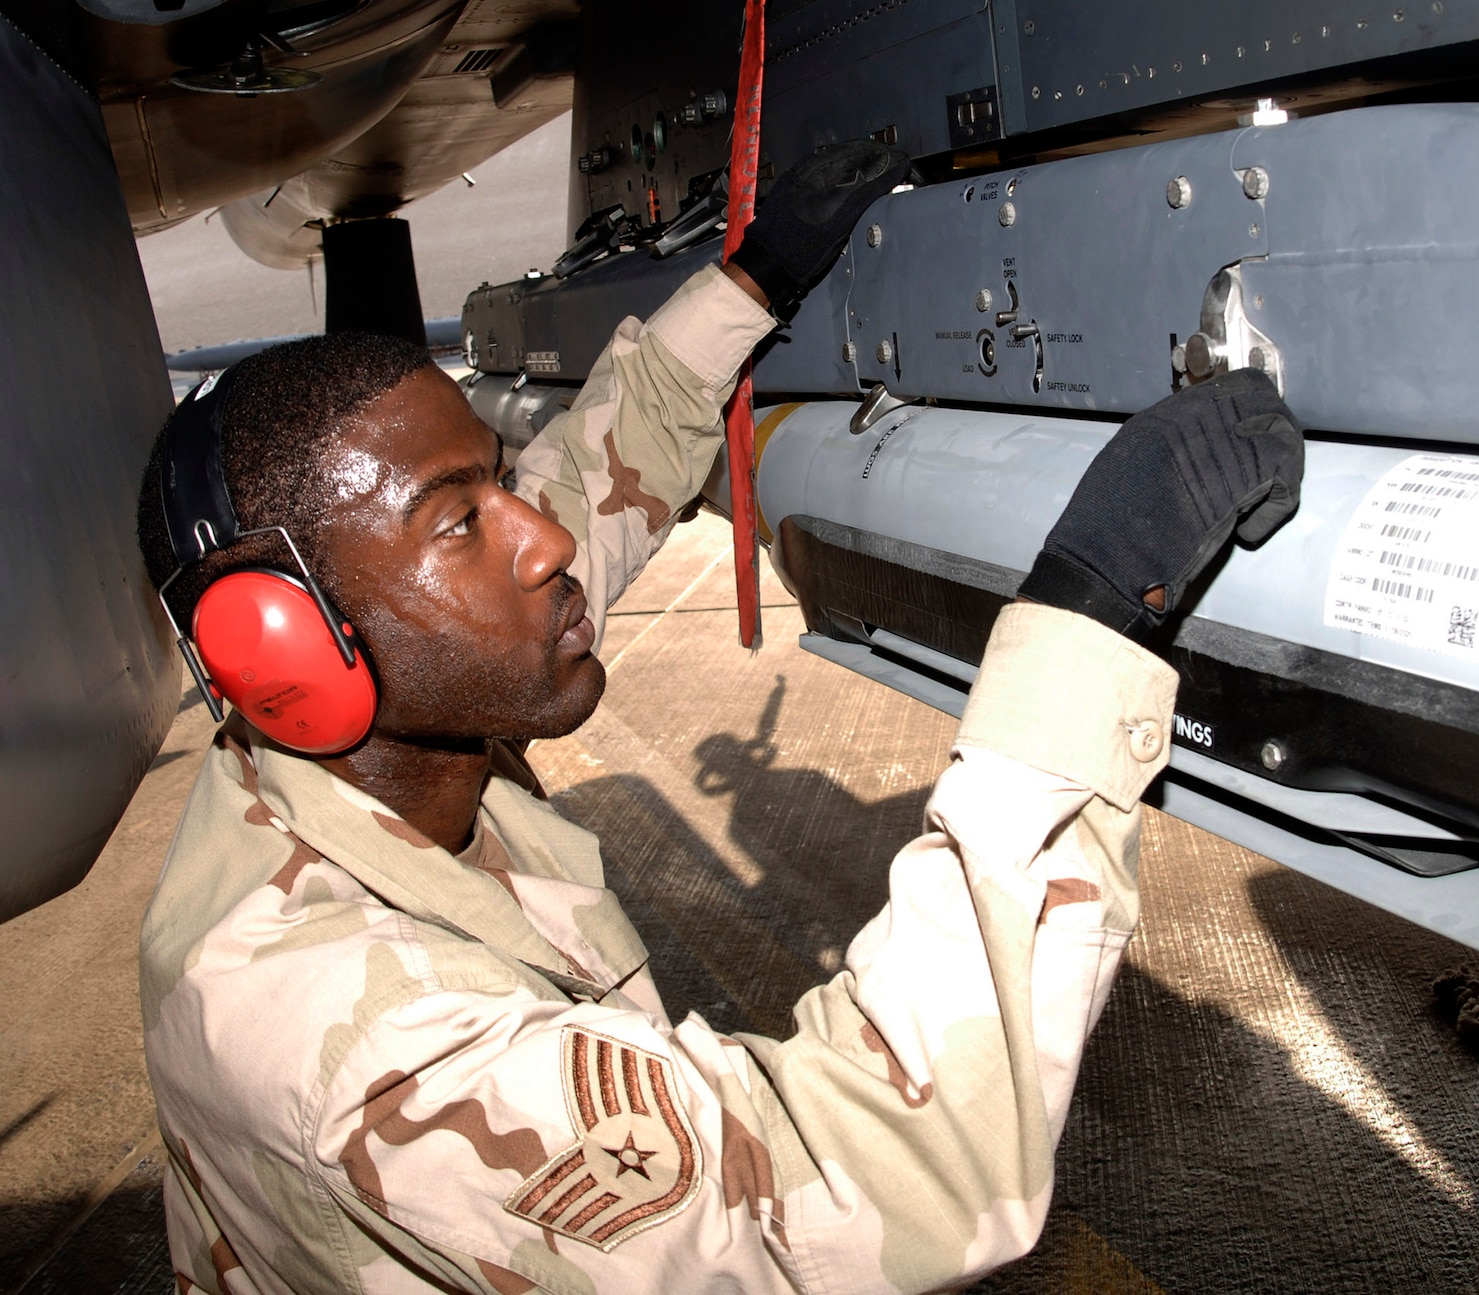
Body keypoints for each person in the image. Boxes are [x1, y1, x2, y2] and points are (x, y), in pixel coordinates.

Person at [133, 139, 1305, 1294]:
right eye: (459, 522)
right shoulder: (350, 1042)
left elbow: (588, 478)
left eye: (497, 482)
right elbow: (865, 1184)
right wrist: (1093, 608)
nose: (540, 541)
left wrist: (756, 275)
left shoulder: (374, 708)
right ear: (284, 645)